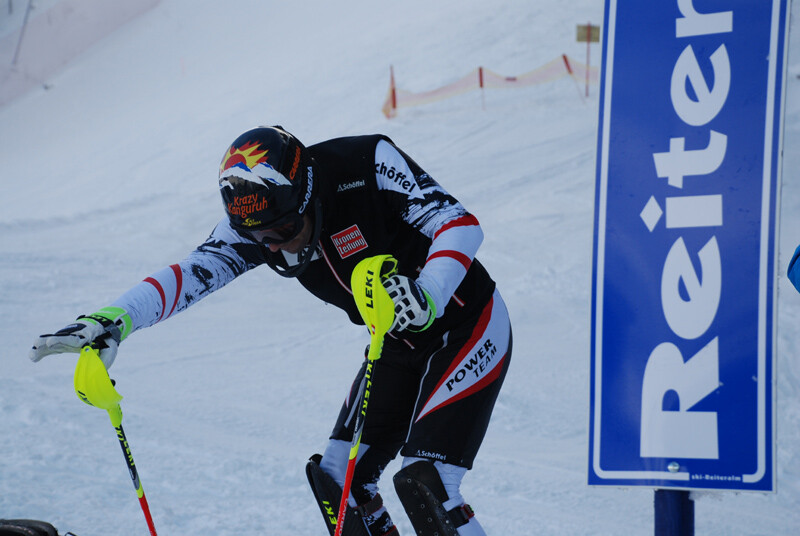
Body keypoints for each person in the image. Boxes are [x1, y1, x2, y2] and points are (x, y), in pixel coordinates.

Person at [30, 126, 513, 536]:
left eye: (282, 232)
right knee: (338, 482)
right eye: (260, 240)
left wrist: (428, 293)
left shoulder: (365, 164)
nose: (274, 248)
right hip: (392, 341)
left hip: (466, 323)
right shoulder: (258, 220)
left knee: (427, 481)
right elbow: (193, 273)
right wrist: (114, 319)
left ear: (307, 197)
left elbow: (458, 223)